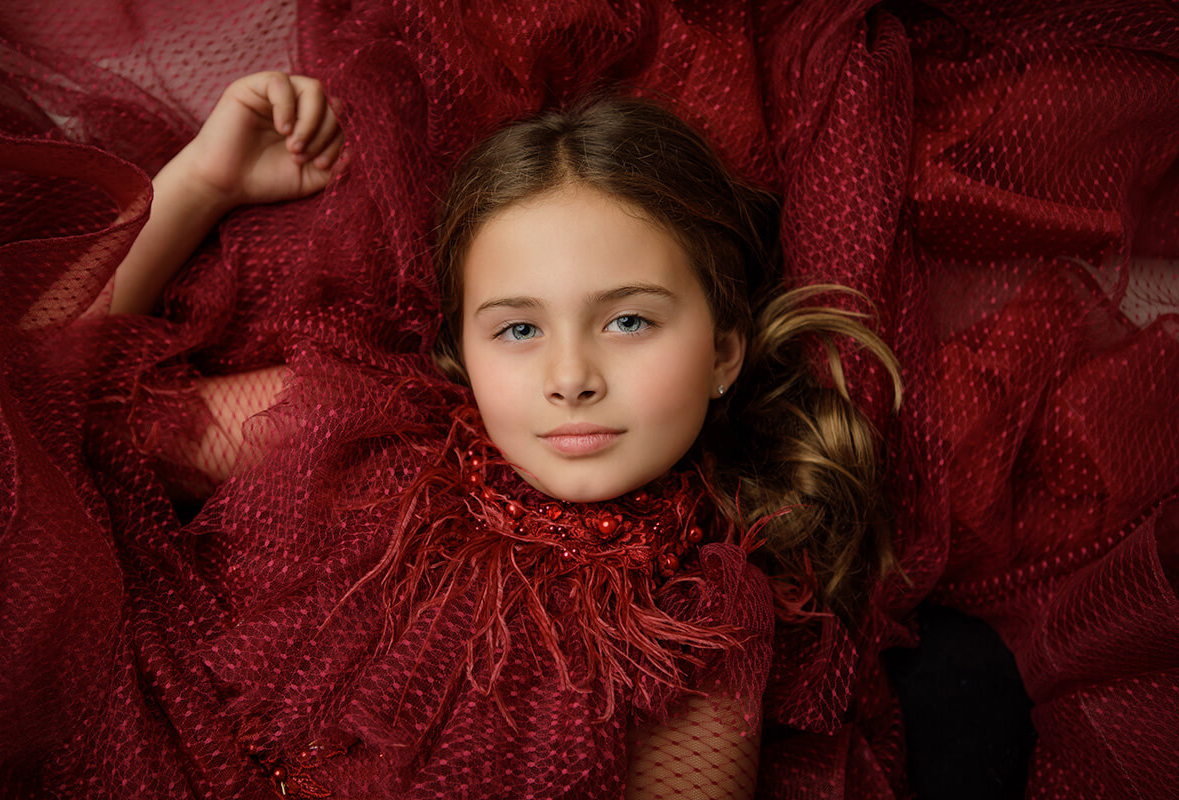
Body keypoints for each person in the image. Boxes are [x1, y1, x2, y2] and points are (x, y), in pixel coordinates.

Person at [83, 70, 899, 798]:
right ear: (463, 348)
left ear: (724, 351)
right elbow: (45, 405)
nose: (571, 376)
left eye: (626, 319)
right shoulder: (370, 432)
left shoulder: (703, 618)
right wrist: (198, 185)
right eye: (517, 330)